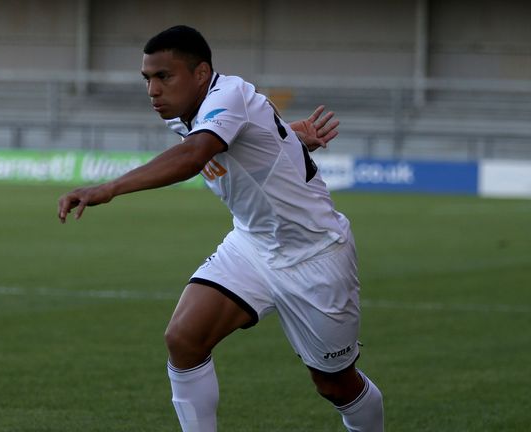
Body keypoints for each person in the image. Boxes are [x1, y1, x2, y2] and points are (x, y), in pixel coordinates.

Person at [57, 25, 384, 432]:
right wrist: (293, 136)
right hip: (252, 245)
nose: (153, 90)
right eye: (147, 79)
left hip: (314, 253)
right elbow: (258, 133)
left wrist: (109, 188)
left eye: (164, 77)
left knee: (335, 385)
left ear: (200, 73)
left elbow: (195, 154)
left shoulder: (227, 95)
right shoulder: (187, 113)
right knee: (183, 338)